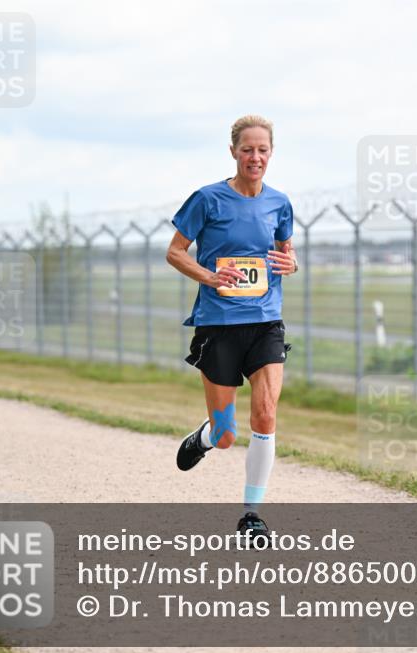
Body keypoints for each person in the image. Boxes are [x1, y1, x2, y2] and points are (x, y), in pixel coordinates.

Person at [165, 114, 297, 543]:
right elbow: (175, 252)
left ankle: (252, 514)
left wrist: (292, 264)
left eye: (262, 150)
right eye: (247, 149)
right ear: (233, 152)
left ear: (271, 153)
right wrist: (209, 277)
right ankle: (205, 437)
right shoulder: (208, 199)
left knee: (266, 413)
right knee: (226, 434)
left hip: (265, 322)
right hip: (218, 324)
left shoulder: (280, 203)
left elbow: (286, 254)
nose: (254, 157)